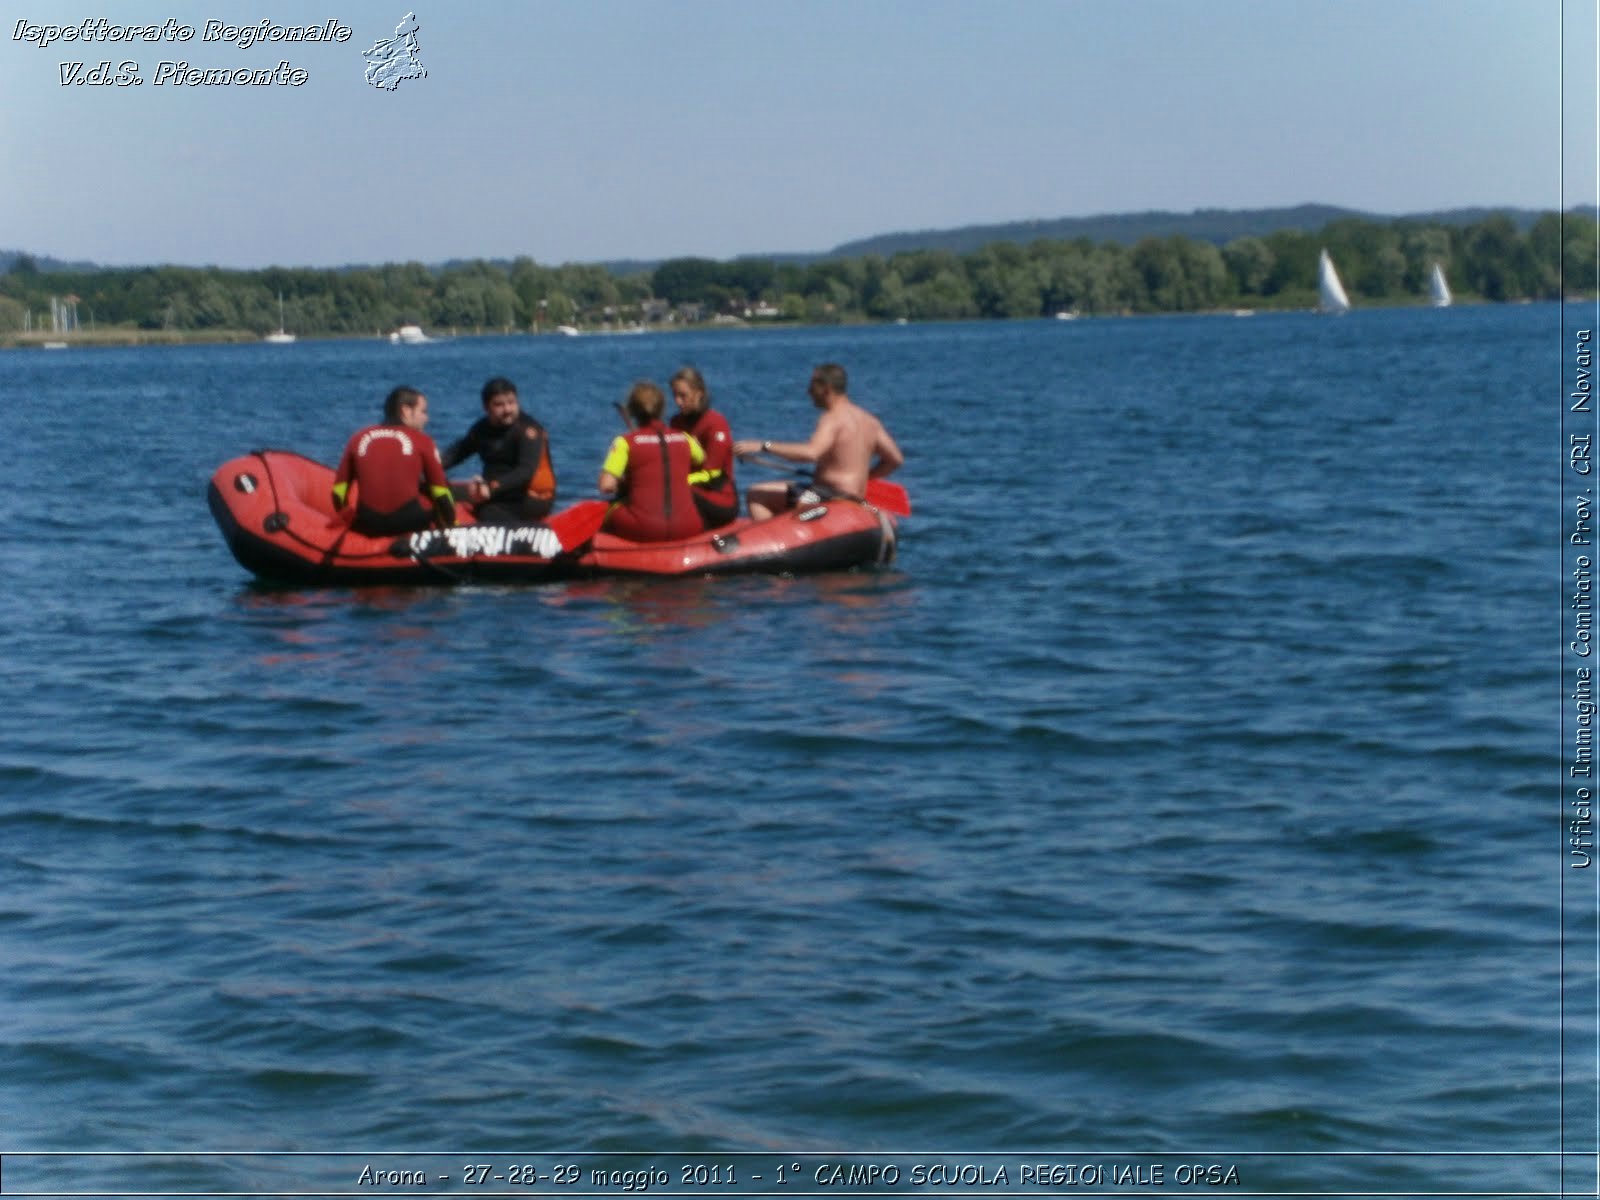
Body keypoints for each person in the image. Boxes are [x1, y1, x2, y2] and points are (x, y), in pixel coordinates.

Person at [732, 362, 904, 520]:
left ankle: (777, 544)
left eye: (812, 387)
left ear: (826, 389)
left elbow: (811, 453)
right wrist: (865, 477)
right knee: (792, 490)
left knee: (756, 494)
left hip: (827, 495)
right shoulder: (870, 421)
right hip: (855, 496)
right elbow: (895, 459)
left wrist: (763, 446)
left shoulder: (832, 418)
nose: (808, 392)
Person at [331, 386, 456, 535]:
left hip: (367, 525)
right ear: (406, 411)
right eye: (423, 412)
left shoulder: (357, 438)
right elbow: (441, 493)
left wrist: (348, 519)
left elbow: (338, 492)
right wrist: (451, 525)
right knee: (430, 498)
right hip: (409, 523)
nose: (427, 418)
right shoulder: (424, 441)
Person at [598, 380, 707, 542]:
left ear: (632, 411)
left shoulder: (625, 442)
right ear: (662, 409)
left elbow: (606, 486)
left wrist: (627, 480)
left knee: (604, 511)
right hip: (688, 526)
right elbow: (702, 459)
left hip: (644, 528)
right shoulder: (685, 439)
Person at [441, 377, 556, 525]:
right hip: (496, 492)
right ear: (486, 407)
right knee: (440, 493)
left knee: (488, 511)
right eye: (499, 405)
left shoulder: (528, 430)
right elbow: (459, 452)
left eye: (511, 402)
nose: (507, 409)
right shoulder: (482, 429)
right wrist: (430, 467)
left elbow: (525, 471)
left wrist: (491, 487)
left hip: (531, 496)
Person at [668, 365, 739, 529]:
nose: (677, 401)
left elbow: (711, 474)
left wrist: (675, 483)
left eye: (683, 396)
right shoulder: (675, 423)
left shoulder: (715, 424)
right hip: (687, 491)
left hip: (719, 497)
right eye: (675, 396)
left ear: (698, 394)